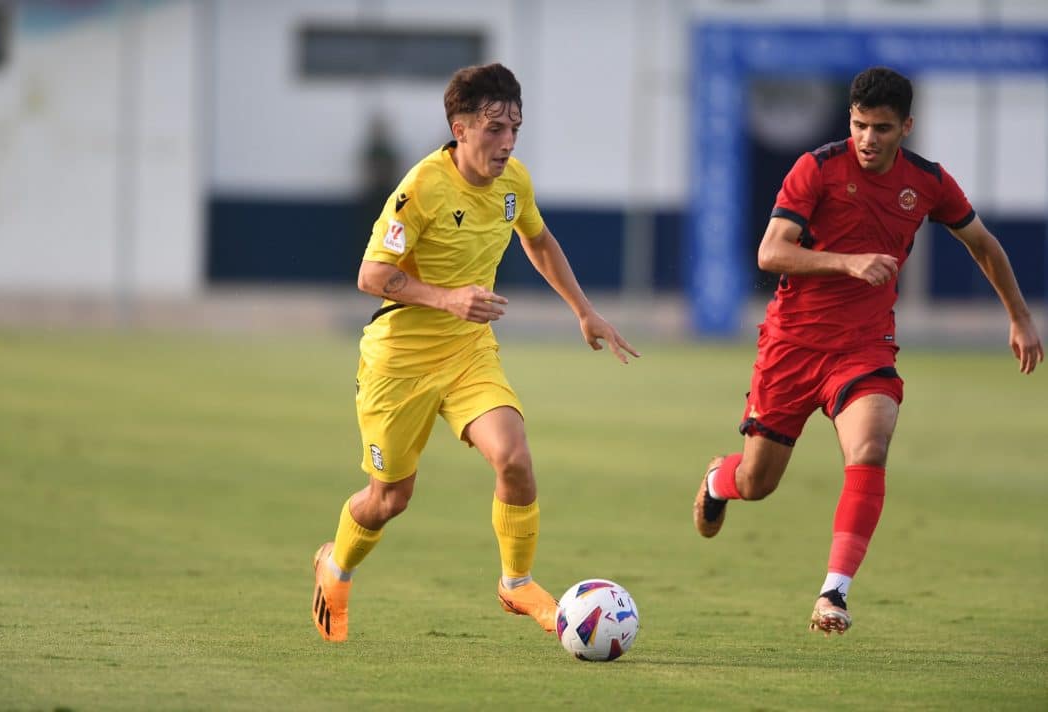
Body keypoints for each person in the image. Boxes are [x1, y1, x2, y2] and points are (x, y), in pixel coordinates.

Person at [693, 66, 1043, 636]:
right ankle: (718, 480)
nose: (868, 138)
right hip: (792, 345)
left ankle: (834, 593)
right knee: (758, 483)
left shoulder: (928, 182)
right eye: (859, 125)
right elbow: (770, 253)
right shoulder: (816, 169)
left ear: (906, 126)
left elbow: (983, 243)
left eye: (881, 127)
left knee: (871, 447)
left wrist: (1021, 317)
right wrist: (847, 261)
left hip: (864, 346)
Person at [312, 62, 639, 642]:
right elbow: (370, 274)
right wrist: (448, 298)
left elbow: (538, 239)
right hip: (399, 363)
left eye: (515, 127)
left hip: (468, 353)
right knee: (390, 499)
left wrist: (583, 310)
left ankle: (515, 583)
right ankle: (335, 567)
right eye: (494, 129)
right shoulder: (420, 188)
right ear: (459, 129)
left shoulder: (514, 182)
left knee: (513, 456)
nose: (507, 141)